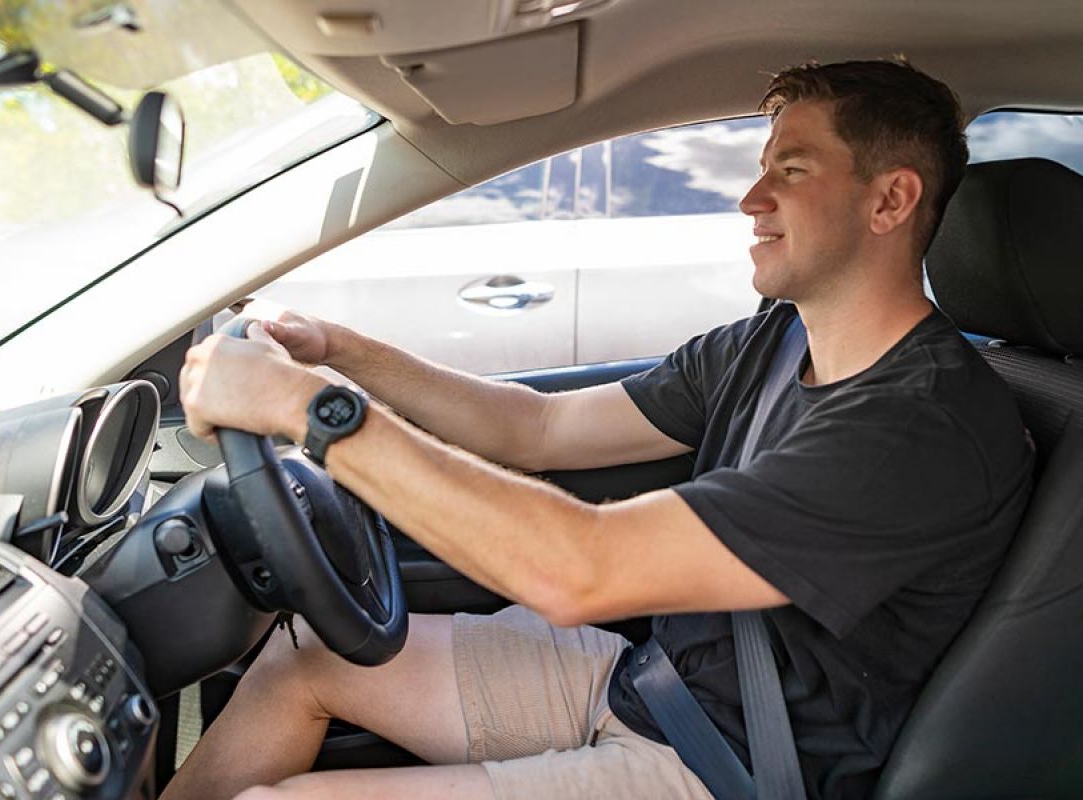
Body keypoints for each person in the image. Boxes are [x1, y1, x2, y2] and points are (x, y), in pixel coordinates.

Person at [168, 59, 1033, 800]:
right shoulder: (771, 344)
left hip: (724, 769)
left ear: (889, 201)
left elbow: (582, 570)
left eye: (792, 171)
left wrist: (304, 412)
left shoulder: (919, 430)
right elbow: (539, 429)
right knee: (307, 657)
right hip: (650, 682)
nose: (749, 198)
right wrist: (338, 353)